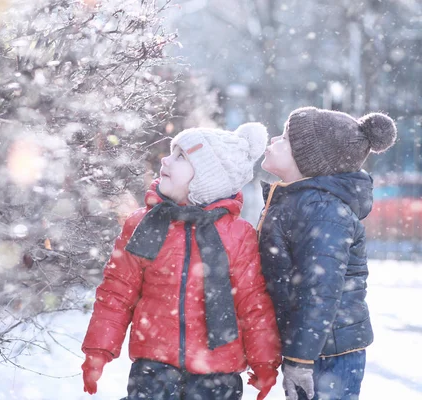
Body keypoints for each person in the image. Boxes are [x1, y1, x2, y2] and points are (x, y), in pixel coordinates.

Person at [81, 124, 282, 400]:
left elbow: (253, 303)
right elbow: (117, 292)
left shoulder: (238, 234)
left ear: (206, 179)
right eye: (171, 152)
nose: (165, 159)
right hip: (153, 368)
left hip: (218, 372)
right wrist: (98, 350)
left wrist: (264, 361)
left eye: (180, 156)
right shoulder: (145, 224)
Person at [257, 107, 397, 400]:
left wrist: (300, 359)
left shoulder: (321, 210)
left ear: (308, 159)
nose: (273, 139)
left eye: (284, 137)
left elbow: (319, 290)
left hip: (327, 353)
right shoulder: (299, 201)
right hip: (314, 347)